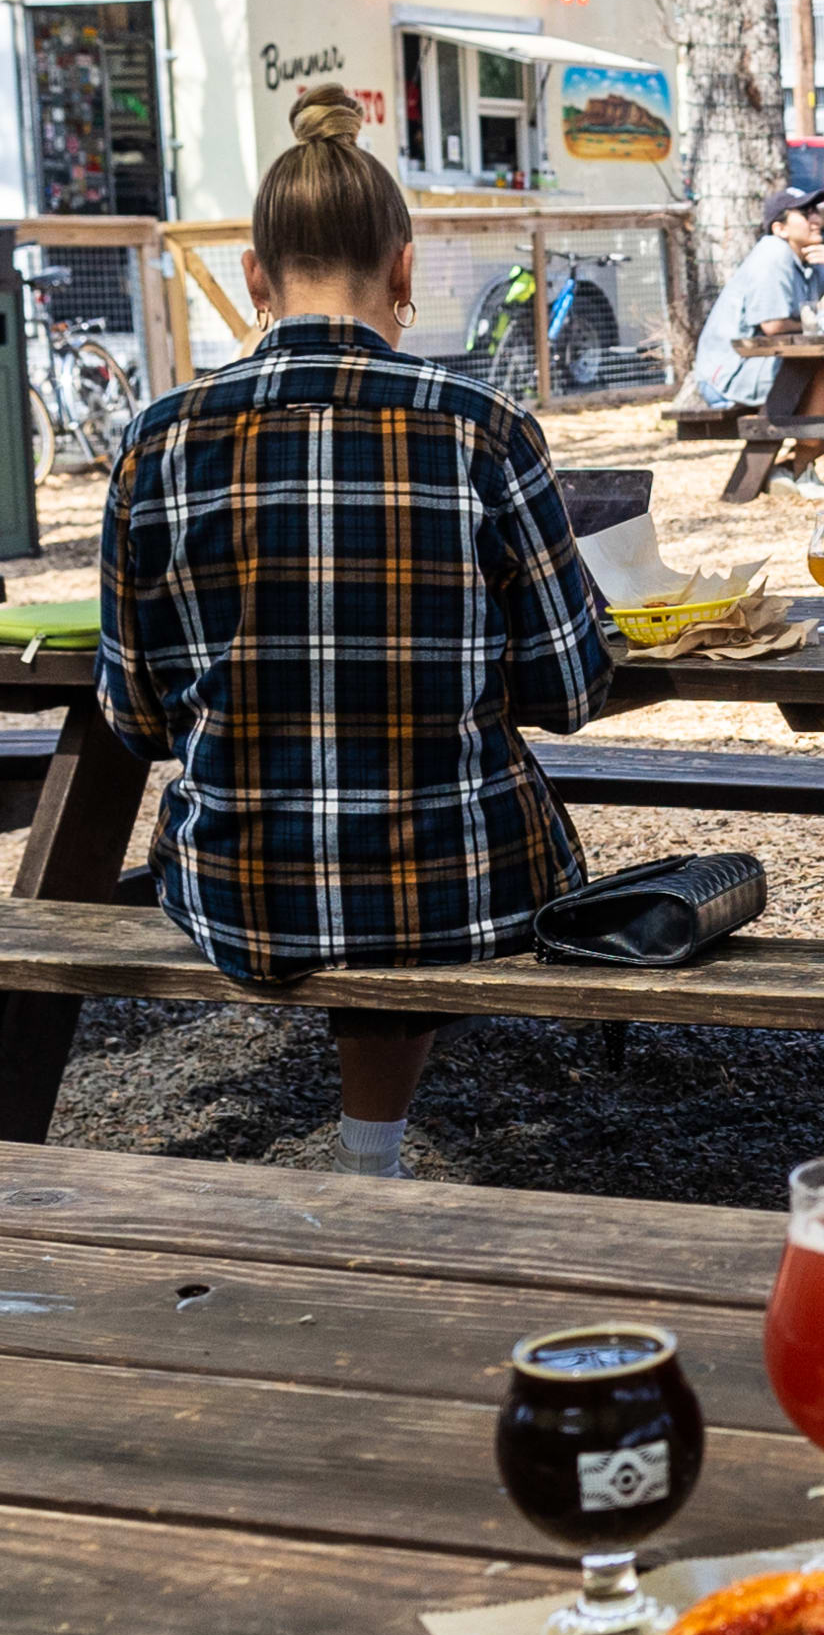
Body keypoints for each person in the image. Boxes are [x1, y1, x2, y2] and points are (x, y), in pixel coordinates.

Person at [100, 85, 615, 1178]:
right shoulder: (484, 428)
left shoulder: (154, 441)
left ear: (253, 277)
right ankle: (371, 1149)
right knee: (427, 820)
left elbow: (134, 714)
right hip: (455, 880)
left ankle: (370, 1155)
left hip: (235, 886)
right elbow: (572, 692)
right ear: (404, 271)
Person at [687, 179, 824, 503]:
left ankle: (789, 470)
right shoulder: (773, 255)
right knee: (823, 374)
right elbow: (774, 326)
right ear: (780, 228)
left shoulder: (807, 259)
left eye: (815, 210)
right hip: (729, 373)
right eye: (804, 213)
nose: (815, 218)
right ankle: (801, 472)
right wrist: (816, 322)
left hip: (763, 365)